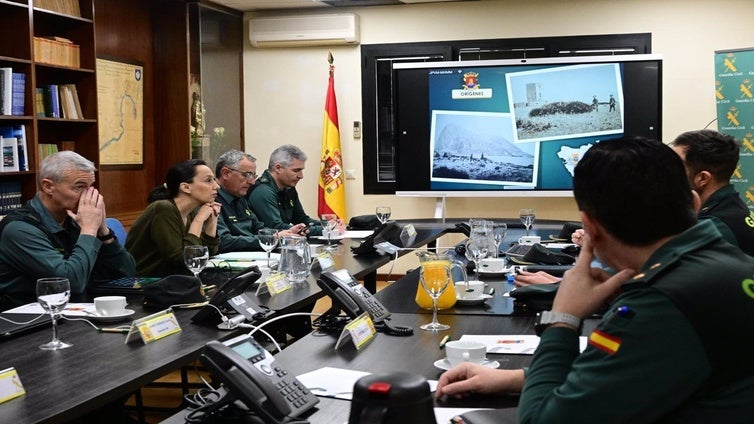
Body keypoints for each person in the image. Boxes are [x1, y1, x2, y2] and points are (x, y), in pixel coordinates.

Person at [436, 136, 754, 422]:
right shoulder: (727, 267)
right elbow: (636, 371)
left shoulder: (661, 305)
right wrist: (517, 378)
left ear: (589, 227)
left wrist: (562, 319)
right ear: (695, 204)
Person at [0, 151, 136, 311]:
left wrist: (103, 232)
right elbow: (71, 283)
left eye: (90, 187)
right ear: (48, 186)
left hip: (80, 311)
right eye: (79, 187)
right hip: (32, 323)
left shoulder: (76, 219)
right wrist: (89, 230)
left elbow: (128, 275)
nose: (90, 196)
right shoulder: (20, 229)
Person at [126, 159, 221, 277]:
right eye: (208, 181)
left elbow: (206, 254)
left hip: (172, 282)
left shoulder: (188, 211)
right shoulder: (163, 209)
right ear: (186, 187)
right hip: (144, 284)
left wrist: (213, 219)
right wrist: (199, 220)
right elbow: (182, 260)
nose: (217, 186)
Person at [670, 129, 754, 256]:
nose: (666, 171)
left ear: (703, 178)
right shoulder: (732, 208)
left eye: (675, 166)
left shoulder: (713, 229)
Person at [214, 149, 307, 252]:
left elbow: (258, 228)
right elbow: (223, 241)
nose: (252, 182)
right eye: (247, 175)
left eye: (253, 176)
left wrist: (287, 233)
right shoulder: (211, 199)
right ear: (226, 173)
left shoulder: (239, 198)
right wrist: (272, 238)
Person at [249, 144, 325, 236]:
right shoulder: (263, 191)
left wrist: (328, 225)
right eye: (296, 170)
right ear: (278, 168)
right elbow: (277, 228)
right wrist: (325, 230)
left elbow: (301, 219)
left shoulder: (288, 188)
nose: (301, 176)